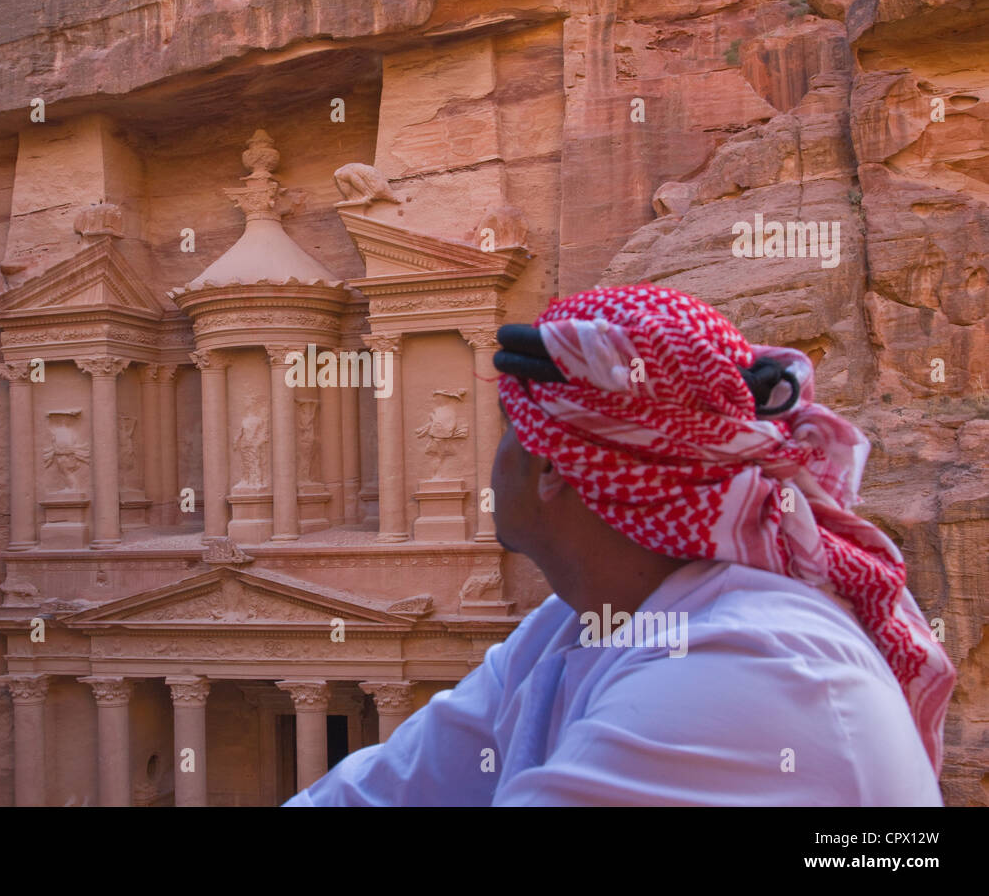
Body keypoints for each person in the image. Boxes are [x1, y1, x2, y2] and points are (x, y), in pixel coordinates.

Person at [284, 285, 955, 806]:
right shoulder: (577, 626)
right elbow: (394, 785)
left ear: (551, 467)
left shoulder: (745, 666)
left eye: (508, 428)